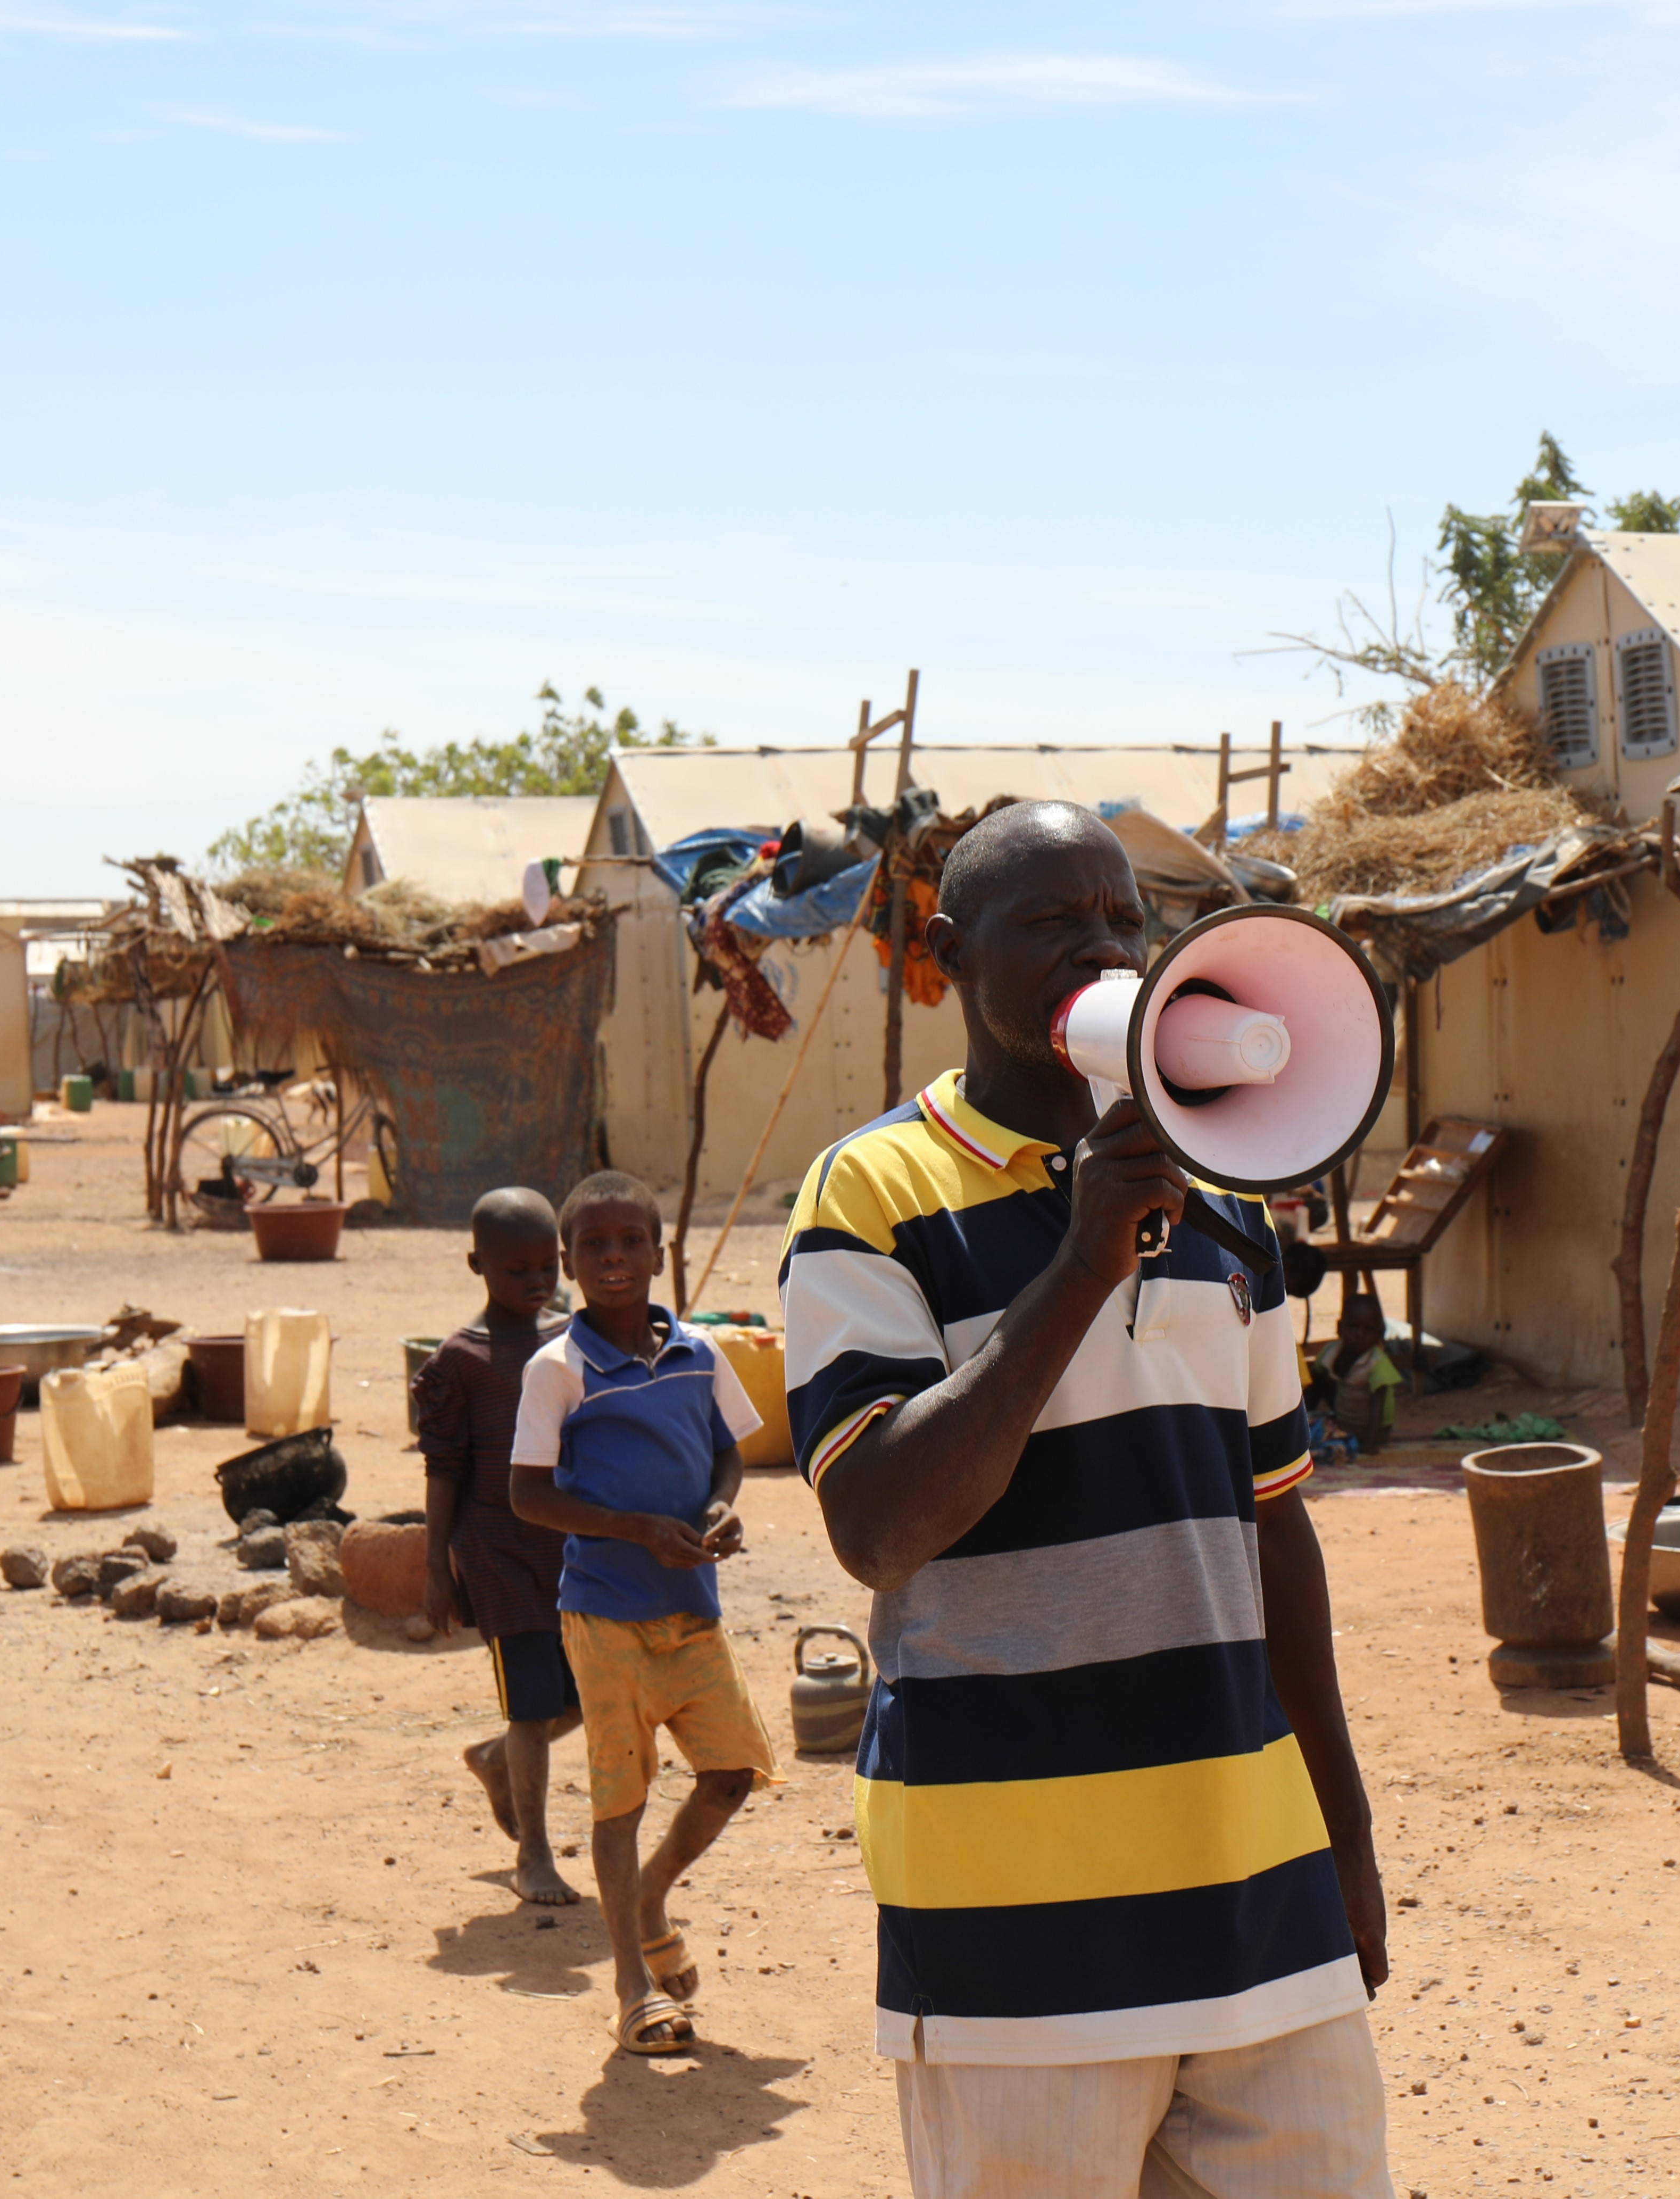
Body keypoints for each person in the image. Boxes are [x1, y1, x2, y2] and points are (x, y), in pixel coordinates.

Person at [780, 800, 1391, 2199]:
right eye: (1054, 919)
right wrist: (1081, 1264)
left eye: (1123, 918)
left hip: (1255, 1881)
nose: (1103, 945)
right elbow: (878, 1521)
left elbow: (1274, 1525)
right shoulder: (870, 1197)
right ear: (940, 957)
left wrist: (1343, 1835)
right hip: (1014, 1900)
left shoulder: (1229, 1197)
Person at [508, 1169, 772, 2057]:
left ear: (659, 1253)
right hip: (605, 1616)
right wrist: (633, 1531)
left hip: (691, 1610)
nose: (614, 1258)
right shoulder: (558, 1367)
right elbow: (527, 1494)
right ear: (568, 1262)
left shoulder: (700, 1352)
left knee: (732, 1771)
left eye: (630, 1242)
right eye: (596, 1245)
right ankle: (632, 1986)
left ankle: (654, 1894)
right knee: (619, 1798)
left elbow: (731, 1456)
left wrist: (720, 1507)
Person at [415, 1187, 581, 1907]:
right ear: (476, 1263)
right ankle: (534, 1854)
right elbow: (444, 1469)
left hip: (572, 1549)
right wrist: (436, 1568)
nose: (537, 1281)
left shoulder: (574, 1340)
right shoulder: (461, 1362)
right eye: (518, 1269)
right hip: (498, 1554)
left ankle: (494, 1760)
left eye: (548, 1266)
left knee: (586, 1696)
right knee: (530, 1706)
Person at [1308, 1290, 1406, 1458]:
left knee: (1324, 1431)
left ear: (1379, 1334)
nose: (1360, 1335)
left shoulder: (1377, 1362)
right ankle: (1304, 1421)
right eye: (1353, 1327)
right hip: (1344, 1417)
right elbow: (1314, 1383)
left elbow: (1378, 1405)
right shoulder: (1331, 1352)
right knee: (1318, 1377)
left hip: (1371, 1429)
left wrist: (1370, 1442)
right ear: (1340, 1328)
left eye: (1368, 1330)